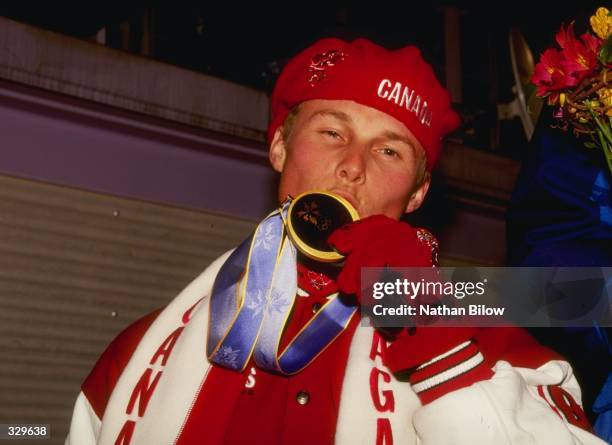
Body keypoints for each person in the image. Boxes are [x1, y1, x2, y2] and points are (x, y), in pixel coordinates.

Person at [65, 38, 606, 444]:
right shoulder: (139, 352)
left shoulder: (494, 341)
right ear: (278, 146)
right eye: (332, 132)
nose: (352, 167)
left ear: (417, 194)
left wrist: (433, 330)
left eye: (389, 151)